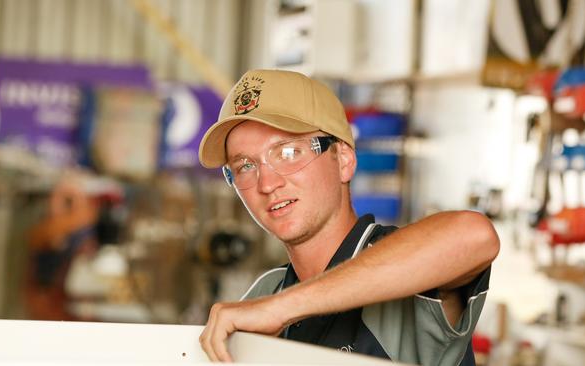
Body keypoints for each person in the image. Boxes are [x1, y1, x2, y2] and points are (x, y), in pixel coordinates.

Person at [197, 69, 499, 365]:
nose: (267, 183)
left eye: (288, 153)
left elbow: (475, 235)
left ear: (344, 159)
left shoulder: (413, 273)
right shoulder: (267, 290)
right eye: (245, 166)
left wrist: (282, 308)